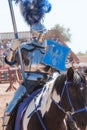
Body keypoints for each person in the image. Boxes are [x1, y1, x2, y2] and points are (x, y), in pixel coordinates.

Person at [4, 23, 60, 124]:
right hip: (27, 85)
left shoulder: (51, 50)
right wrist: (12, 49)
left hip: (45, 85)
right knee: (9, 110)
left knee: (64, 105)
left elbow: (57, 72)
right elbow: (8, 64)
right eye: (38, 34)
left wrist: (53, 80)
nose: (40, 36)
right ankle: (6, 125)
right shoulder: (24, 48)